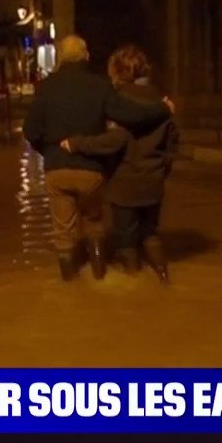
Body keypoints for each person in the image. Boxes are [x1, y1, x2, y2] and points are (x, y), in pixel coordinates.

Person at [22, 35, 174, 282]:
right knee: (94, 223)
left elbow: (31, 131)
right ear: (87, 56)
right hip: (91, 170)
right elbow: (130, 115)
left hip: (56, 171)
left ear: (60, 57)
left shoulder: (46, 87)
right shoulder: (100, 85)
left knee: (63, 232)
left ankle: (69, 288)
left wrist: (50, 153)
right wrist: (163, 108)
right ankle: (100, 276)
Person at [61, 45, 179, 284]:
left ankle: (133, 283)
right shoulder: (162, 100)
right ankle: (164, 278)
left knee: (125, 237)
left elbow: (113, 141)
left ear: (118, 71)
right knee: (149, 232)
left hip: (125, 181)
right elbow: (172, 143)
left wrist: (77, 143)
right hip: (154, 180)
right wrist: (161, 169)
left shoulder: (120, 101)